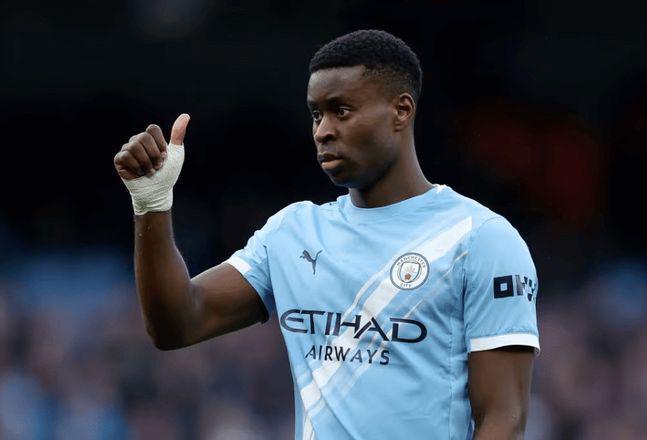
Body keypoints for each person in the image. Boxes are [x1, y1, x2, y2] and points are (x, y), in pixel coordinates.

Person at [114, 29, 540, 440]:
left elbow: (503, 422)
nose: (323, 130)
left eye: (342, 111)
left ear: (401, 110)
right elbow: (177, 324)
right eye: (316, 114)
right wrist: (152, 204)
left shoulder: (480, 239)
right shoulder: (293, 233)